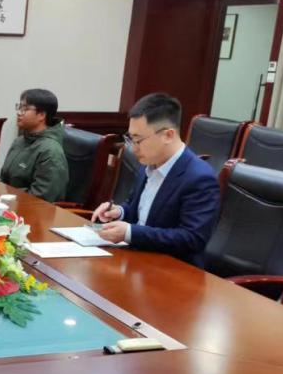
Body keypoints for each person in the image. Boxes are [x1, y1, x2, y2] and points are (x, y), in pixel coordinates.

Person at [92, 92, 220, 266]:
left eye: (138, 140)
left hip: (173, 269)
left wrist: (130, 233)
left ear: (168, 135)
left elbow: (192, 238)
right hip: (138, 259)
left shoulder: (199, 178)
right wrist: (119, 212)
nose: (133, 149)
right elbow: (138, 209)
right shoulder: (148, 164)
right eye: (130, 138)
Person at [0, 88, 69, 203]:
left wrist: (7, 198)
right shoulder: (19, 141)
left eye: (25, 109)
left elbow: (41, 198)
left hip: (30, 209)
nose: (19, 112)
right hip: (9, 203)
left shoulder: (51, 151)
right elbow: (3, 179)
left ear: (41, 115)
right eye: (19, 107)